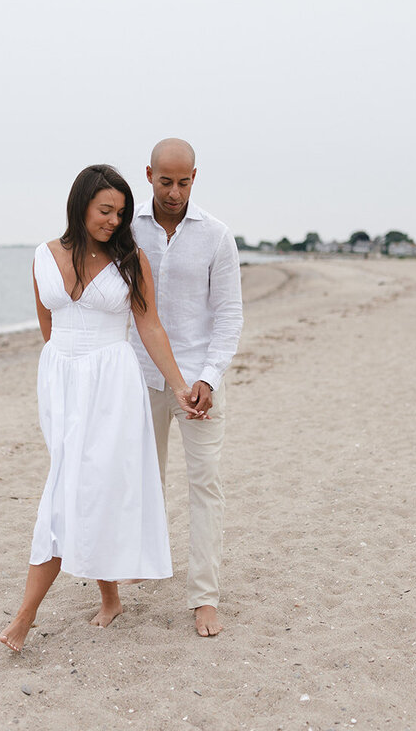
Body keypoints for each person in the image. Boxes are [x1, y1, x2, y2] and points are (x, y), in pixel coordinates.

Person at [0, 164, 198, 653]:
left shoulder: (131, 259)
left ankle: (23, 618)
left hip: (113, 386)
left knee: (74, 489)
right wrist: (63, 372)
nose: (114, 220)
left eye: (121, 213)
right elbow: (48, 326)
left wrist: (179, 386)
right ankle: (110, 598)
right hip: (61, 382)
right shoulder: (43, 257)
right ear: (81, 204)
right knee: (82, 485)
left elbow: (150, 328)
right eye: (105, 210)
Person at [129, 138, 243, 637]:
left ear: (195, 177)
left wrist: (209, 377)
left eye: (184, 182)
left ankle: (204, 596)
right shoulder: (126, 229)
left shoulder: (216, 235)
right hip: (139, 377)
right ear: (149, 174)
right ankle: (137, 565)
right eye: (165, 181)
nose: (174, 192)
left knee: (206, 486)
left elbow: (229, 315)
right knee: (140, 481)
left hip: (200, 384)